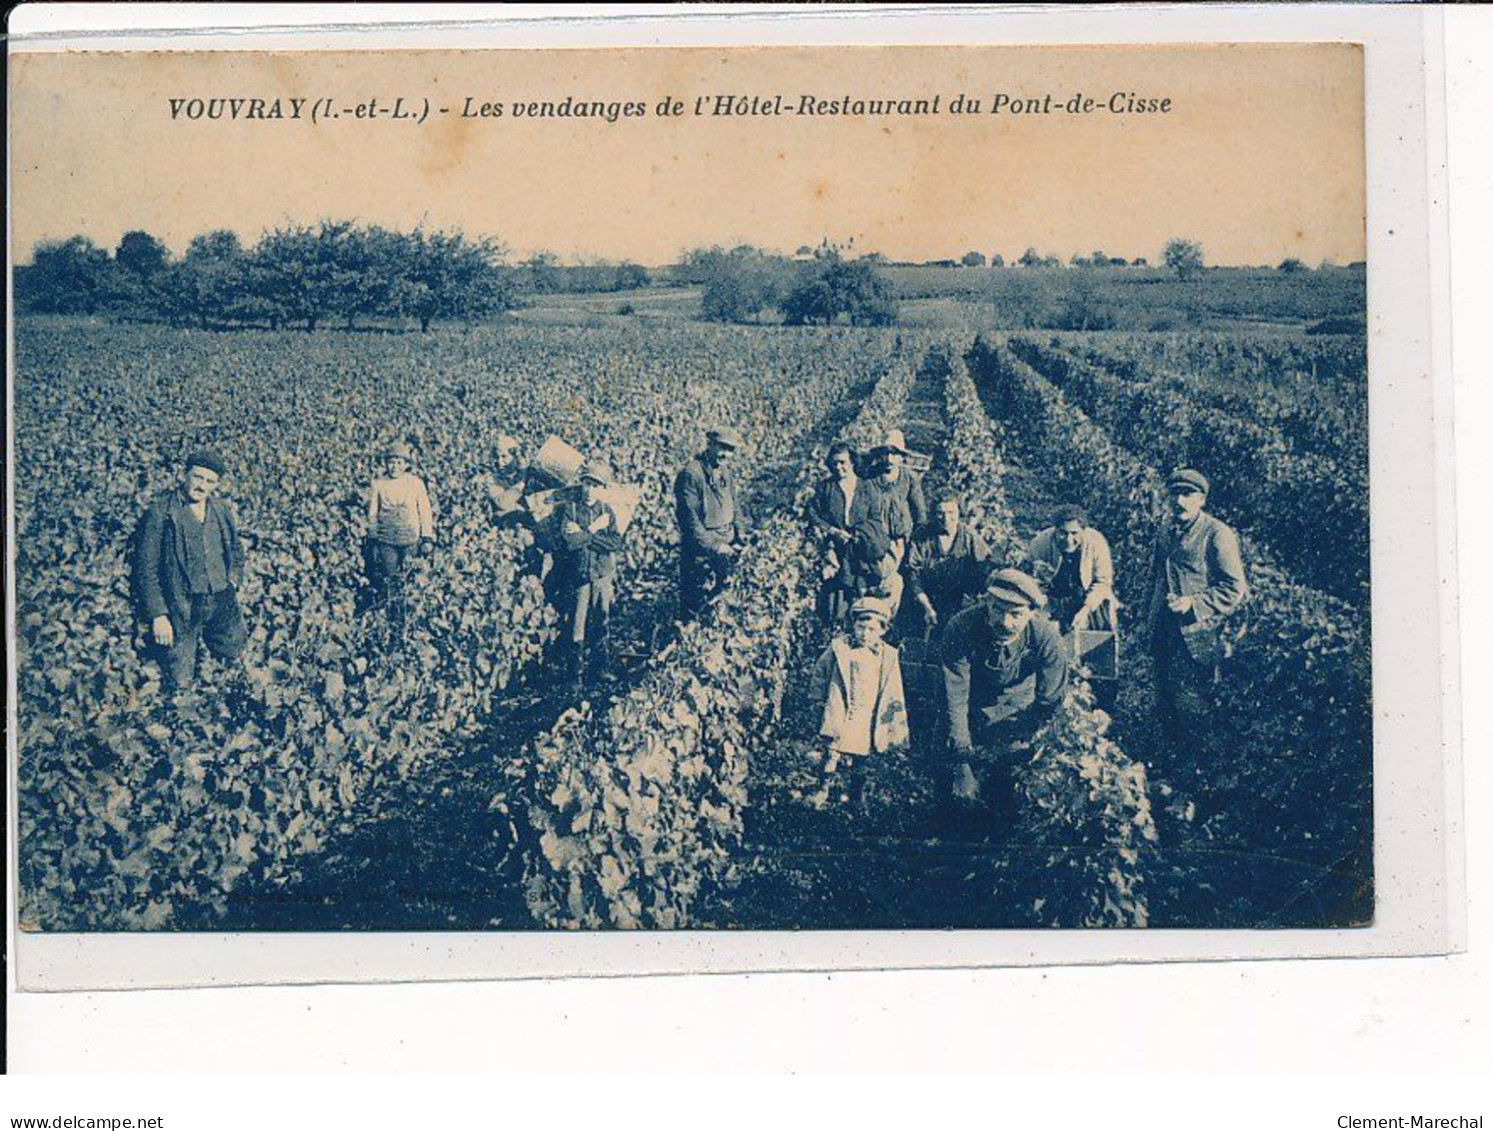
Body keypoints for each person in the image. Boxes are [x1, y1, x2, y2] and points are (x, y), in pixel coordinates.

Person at [939, 568, 1068, 812]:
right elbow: (953, 696)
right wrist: (962, 762)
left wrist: (1030, 746)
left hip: (1018, 712)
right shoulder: (961, 627)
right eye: (997, 610)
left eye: (1016, 614)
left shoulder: (1046, 638)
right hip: (970, 708)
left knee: (1008, 790)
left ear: (1032, 613)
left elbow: (1049, 702)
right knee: (953, 796)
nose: (1005, 622)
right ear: (986, 601)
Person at [1146, 468, 1249, 747]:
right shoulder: (1166, 530)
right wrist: (1148, 617)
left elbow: (1234, 588)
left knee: (1193, 703)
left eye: (1187, 494)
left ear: (1202, 499)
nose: (1179, 501)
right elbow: (1156, 576)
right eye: (1174, 494)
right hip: (1164, 628)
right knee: (1164, 696)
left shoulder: (1217, 533)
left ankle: (1195, 769)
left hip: (1197, 632)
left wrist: (1194, 603)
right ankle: (1171, 759)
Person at [129, 449, 248, 692]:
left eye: (209, 481)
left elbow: (235, 549)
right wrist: (158, 615)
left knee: (233, 656)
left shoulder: (221, 510)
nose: (202, 486)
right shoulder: (161, 513)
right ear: (184, 475)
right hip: (181, 604)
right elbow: (146, 568)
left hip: (221, 597)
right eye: (198, 477)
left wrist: (233, 580)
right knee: (180, 680)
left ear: (216, 484)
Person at [809, 595, 909, 812]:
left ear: (883, 630)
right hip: (842, 708)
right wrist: (817, 697)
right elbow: (820, 672)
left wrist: (893, 717)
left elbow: (894, 687)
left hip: (867, 713)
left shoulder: (887, 656)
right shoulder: (840, 648)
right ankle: (822, 788)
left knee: (861, 757)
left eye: (871, 629)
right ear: (853, 625)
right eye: (861, 627)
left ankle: (856, 794)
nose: (864, 633)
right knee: (831, 752)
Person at [1026, 504, 1119, 713]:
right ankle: (1054, 705)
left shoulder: (1096, 543)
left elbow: (1103, 583)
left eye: (1074, 534)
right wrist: (1043, 608)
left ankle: (1102, 709)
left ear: (1083, 531)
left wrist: (1086, 610)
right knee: (1052, 650)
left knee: (1099, 653)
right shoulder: (1040, 543)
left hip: (1091, 600)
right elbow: (1034, 583)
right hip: (1054, 600)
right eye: (1063, 533)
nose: (1069, 540)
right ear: (1054, 531)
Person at [548, 458, 626, 690]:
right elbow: (570, 541)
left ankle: (600, 668)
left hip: (601, 573)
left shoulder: (606, 511)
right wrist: (593, 530)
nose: (589, 489)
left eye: (595, 485)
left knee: (601, 618)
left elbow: (614, 542)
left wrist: (586, 536)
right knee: (577, 623)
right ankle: (575, 674)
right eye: (587, 483)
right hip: (579, 574)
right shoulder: (570, 509)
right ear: (581, 484)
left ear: (602, 489)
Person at [363, 440, 435, 640]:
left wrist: (427, 537)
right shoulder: (379, 484)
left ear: (406, 464)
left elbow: (425, 512)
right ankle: (393, 618)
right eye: (391, 462)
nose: (394, 466)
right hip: (387, 540)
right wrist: (373, 536)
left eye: (399, 462)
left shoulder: (415, 483)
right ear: (386, 464)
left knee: (410, 577)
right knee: (391, 578)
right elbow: (373, 514)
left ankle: (411, 616)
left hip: (411, 539)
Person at [674, 425, 742, 618]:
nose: (726, 454)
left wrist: (741, 535)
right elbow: (689, 519)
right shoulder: (691, 474)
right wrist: (714, 546)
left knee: (721, 598)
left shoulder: (724, 472)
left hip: (724, 544)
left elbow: (734, 505)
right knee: (697, 601)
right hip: (701, 550)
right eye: (722, 447)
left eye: (730, 450)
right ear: (710, 444)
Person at [808, 441, 876, 625]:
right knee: (835, 596)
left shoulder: (866, 487)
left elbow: (875, 517)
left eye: (843, 462)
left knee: (861, 591)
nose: (839, 467)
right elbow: (813, 514)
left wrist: (860, 535)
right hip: (834, 546)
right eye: (835, 463)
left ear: (852, 462)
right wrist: (832, 531)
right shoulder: (825, 487)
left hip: (860, 546)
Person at [861, 429, 926, 617]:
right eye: (885, 453)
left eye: (894, 454)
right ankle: (876, 614)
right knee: (880, 576)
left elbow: (919, 509)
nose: (889, 458)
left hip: (900, 537)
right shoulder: (870, 478)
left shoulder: (909, 479)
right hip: (877, 538)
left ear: (901, 457)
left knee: (894, 577)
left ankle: (888, 617)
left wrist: (917, 536)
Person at [906, 491, 991, 633]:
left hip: (959, 601)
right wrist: (927, 606)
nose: (946, 518)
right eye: (940, 513)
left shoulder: (970, 537)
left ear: (959, 512)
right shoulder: (922, 536)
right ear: (933, 514)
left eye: (951, 512)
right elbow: (913, 574)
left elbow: (984, 569)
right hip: (925, 598)